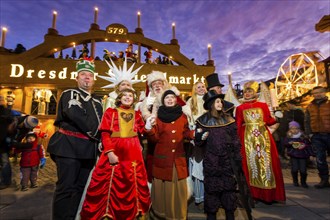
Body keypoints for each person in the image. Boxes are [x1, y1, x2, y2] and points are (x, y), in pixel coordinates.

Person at [79, 89, 151, 220]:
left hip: (133, 151)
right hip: (115, 148)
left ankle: (135, 211)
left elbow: (143, 130)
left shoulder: (137, 114)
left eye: (131, 96)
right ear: (119, 98)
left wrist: (149, 123)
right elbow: (105, 134)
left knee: (132, 180)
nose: (128, 97)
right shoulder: (110, 112)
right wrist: (110, 152)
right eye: (125, 95)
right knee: (110, 179)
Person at [47, 59, 103, 220]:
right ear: (77, 78)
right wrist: (97, 134)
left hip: (88, 150)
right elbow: (76, 115)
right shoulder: (70, 94)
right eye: (83, 74)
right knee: (66, 188)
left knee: (81, 187)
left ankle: (74, 216)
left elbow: (102, 122)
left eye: (90, 75)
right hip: (68, 147)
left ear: (94, 79)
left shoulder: (98, 100)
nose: (87, 77)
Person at [145, 89, 194, 220]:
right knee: (164, 190)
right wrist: (149, 128)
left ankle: (178, 215)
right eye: (167, 98)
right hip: (163, 160)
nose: (170, 99)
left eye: (172, 97)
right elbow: (154, 139)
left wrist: (195, 134)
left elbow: (186, 133)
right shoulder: (157, 118)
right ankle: (161, 214)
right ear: (163, 101)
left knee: (178, 190)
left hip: (178, 160)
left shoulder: (182, 116)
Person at [235, 81, 286, 203]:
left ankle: (269, 194)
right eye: (245, 92)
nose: (247, 94)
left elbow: (268, 121)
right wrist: (235, 140)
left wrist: (277, 117)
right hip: (247, 138)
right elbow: (237, 124)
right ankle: (254, 194)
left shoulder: (262, 105)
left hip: (264, 137)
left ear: (254, 93)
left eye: (249, 91)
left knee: (267, 164)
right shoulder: (239, 108)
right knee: (251, 165)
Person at [194, 90, 242, 220]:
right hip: (211, 160)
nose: (220, 103)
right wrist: (199, 137)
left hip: (227, 161)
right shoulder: (202, 121)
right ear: (211, 104)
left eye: (220, 101)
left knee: (229, 190)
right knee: (212, 191)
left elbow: (236, 140)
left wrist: (238, 158)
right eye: (217, 101)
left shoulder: (229, 119)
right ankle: (211, 215)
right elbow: (198, 143)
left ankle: (230, 215)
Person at [186, 81, 207, 209]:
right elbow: (189, 121)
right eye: (198, 87)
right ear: (194, 90)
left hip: (211, 137)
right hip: (197, 137)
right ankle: (200, 197)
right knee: (198, 166)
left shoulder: (210, 99)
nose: (201, 89)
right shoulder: (190, 102)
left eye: (203, 86)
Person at [304, 86, 330, 189]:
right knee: (320, 159)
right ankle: (324, 180)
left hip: (328, 133)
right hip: (316, 136)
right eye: (315, 93)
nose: (317, 94)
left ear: (324, 93)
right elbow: (307, 121)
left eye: (319, 92)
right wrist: (309, 133)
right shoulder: (310, 106)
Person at [283, 121, 314, 188]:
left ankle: (303, 182)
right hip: (293, 155)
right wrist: (289, 143)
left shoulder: (303, 137)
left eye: (296, 128)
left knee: (303, 170)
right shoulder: (289, 137)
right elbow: (285, 144)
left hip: (303, 155)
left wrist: (311, 154)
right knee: (295, 169)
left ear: (299, 129)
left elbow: (308, 146)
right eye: (292, 128)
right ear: (290, 130)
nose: (295, 130)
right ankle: (295, 181)